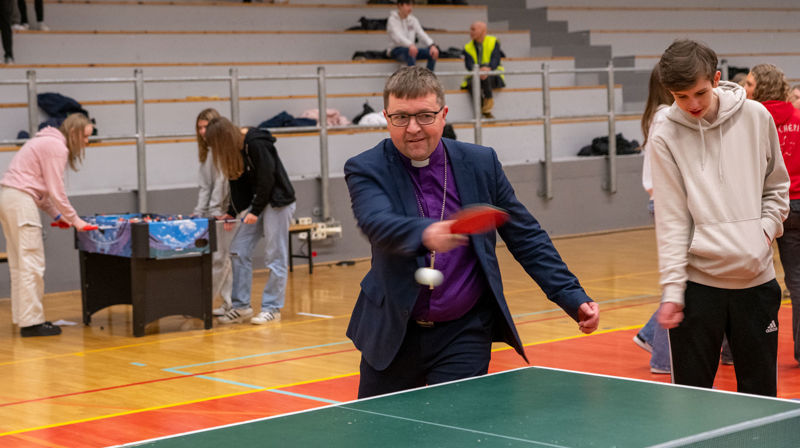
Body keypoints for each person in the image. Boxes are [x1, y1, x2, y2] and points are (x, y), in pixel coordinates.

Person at [344, 66, 599, 398]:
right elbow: (375, 221)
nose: (413, 128)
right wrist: (426, 233)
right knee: (382, 426)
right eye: (401, 117)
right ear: (386, 117)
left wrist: (572, 295)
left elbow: (526, 236)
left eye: (424, 116)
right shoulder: (366, 167)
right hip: (392, 330)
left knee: (456, 423)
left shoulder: (480, 163)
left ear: (443, 114)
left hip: (464, 332)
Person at [650, 39, 789, 397]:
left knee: (760, 399)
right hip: (697, 288)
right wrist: (672, 290)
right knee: (691, 400)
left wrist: (763, 233)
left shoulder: (757, 117)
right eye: (681, 97)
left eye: (699, 93)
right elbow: (671, 219)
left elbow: (776, 187)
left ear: (715, 79)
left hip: (756, 282)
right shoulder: (664, 133)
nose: (692, 104)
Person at [0, 113, 94, 337]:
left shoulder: (45, 141)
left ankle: (24, 319)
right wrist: (75, 220)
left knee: (20, 264)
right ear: (73, 133)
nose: (87, 142)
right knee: (31, 263)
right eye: (85, 136)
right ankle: (32, 323)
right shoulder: (56, 147)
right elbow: (55, 190)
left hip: (9, 198)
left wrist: (57, 216)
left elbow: (41, 191)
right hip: (21, 201)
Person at [204, 117, 296, 325]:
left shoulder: (255, 143)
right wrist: (231, 212)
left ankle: (272, 308)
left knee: (275, 255)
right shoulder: (234, 152)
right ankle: (241, 306)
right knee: (238, 250)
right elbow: (238, 186)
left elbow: (267, 178)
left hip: (278, 202)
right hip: (259, 203)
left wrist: (254, 210)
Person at [745, 63, 800, 365]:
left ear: (761, 87)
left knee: (745, 279)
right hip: (797, 205)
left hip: (760, 207)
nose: (745, 88)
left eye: (750, 83)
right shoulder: (798, 118)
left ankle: (733, 350)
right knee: (798, 281)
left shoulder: (750, 120)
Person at [633, 66, 672, 375]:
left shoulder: (658, 114)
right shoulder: (665, 116)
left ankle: (650, 335)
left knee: (682, 279)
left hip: (663, 201)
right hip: (666, 203)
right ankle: (662, 356)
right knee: (679, 280)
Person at [192, 108, 234, 317]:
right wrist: (199, 212)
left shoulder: (223, 149)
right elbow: (205, 187)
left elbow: (223, 184)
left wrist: (218, 211)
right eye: (199, 128)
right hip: (213, 212)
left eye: (206, 127)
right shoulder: (207, 152)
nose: (202, 132)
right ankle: (229, 303)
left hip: (225, 213)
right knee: (221, 258)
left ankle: (203, 302)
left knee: (220, 258)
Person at [461, 20, 505, 119]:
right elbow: (469, 65)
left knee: (485, 77)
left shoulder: (493, 41)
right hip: (477, 76)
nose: (470, 32)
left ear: (483, 31)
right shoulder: (467, 47)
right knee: (473, 82)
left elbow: (496, 60)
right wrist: (480, 71)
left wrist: (487, 69)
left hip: (493, 75)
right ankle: (484, 109)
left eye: (473, 29)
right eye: (470, 29)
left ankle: (488, 100)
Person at [387, 0, 438, 71]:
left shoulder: (413, 20)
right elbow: (398, 37)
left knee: (432, 53)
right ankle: (412, 78)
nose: (410, 8)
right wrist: (410, 45)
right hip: (396, 50)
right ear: (399, 5)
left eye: (411, 5)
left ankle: (428, 77)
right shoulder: (392, 20)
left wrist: (431, 45)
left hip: (412, 49)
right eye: (408, 5)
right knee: (411, 52)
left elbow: (421, 33)